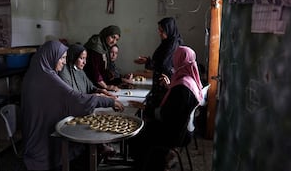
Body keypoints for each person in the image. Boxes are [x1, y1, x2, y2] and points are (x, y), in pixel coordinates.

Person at [21, 40, 124, 171]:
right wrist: (109, 102)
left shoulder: (34, 73)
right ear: (52, 56)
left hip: (33, 128)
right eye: (62, 58)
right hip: (41, 137)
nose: (64, 62)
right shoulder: (48, 77)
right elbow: (75, 99)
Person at [129, 45, 204, 171]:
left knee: (137, 133)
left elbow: (166, 114)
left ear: (179, 61)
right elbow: (176, 105)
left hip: (175, 134)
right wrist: (169, 87)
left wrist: (146, 108)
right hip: (184, 130)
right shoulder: (189, 81)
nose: (173, 63)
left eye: (175, 59)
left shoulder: (182, 87)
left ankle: (145, 165)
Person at [134, 17, 183, 117]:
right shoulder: (166, 42)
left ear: (169, 29)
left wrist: (148, 62)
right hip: (160, 80)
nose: (160, 33)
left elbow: (164, 64)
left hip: (165, 81)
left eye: (162, 30)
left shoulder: (173, 43)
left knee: (159, 110)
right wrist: (148, 61)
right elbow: (159, 61)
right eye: (159, 30)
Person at [84, 25, 121, 92]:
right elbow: (94, 71)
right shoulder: (96, 46)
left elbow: (104, 69)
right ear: (107, 34)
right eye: (112, 37)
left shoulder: (105, 46)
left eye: (117, 39)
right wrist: (106, 86)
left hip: (98, 83)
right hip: (89, 84)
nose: (114, 42)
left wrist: (120, 82)